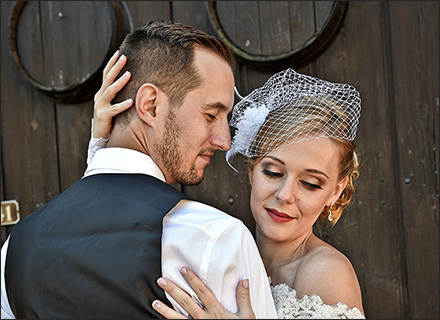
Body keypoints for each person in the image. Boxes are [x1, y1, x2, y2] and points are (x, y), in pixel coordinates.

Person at [0, 21, 277, 319]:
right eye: (211, 115)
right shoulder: (216, 238)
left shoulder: (15, 248)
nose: (224, 141)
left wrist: (99, 150)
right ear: (151, 106)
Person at [93, 69, 365, 319]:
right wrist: (103, 147)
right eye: (272, 172)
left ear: (336, 190)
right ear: (251, 169)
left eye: (310, 184)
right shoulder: (218, 248)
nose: (285, 195)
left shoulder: (327, 274)